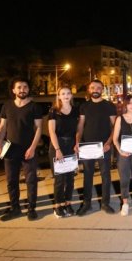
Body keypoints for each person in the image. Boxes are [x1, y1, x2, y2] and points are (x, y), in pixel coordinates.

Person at [0, 77, 43, 221]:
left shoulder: (34, 107)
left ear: (28, 89)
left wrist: (32, 148)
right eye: (19, 87)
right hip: (10, 149)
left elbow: (39, 128)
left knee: (31, 180)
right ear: (13, 90)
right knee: (11, 181)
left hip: (28, 149)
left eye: (25, 87)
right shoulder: (7, 106)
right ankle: (15, 208)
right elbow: (2, 127)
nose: (22, 90)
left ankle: (31, 209)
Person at [75, 79, 117, 216]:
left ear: (102, 90)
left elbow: (115, 126)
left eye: (98, 88)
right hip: (87, 146)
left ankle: (105, 203)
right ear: (89, 90)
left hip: (104, 146)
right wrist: (77, 142)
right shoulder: (84, 106)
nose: (95, 90)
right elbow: (81, 125)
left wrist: (109, 142)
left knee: (106, 175)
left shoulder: (109, 106)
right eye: (93, 87)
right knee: (87, 175)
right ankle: (86, 204)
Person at [48, 85, 80, 218]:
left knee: (70, 178)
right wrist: (57, 149)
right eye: (63, 93)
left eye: (68, 93)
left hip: (71, 146)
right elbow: (52, 132)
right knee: (59, 179)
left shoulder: (76, 110)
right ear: (59, 96)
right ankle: (58, 206)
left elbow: (78, 130)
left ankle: (68, 204)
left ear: (71, 95)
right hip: (58, 145)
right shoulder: (54, 111)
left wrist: (77, 144)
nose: (66, 95)